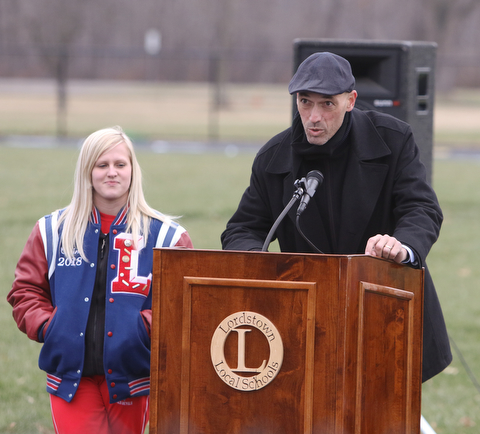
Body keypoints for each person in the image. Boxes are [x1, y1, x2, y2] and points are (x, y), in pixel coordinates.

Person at [221, 52, 452, 382]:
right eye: (304, 102)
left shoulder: (394, 139)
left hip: (386, 311)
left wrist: (402, 246)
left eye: (327, 104)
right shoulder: (273, 157)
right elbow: (243, 228)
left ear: (350, 100)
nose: (314, 116)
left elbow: (422, 208)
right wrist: (263, 267)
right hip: (310, 318)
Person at [7, 126, 193, 434]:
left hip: (133, 376)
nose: (112, 173)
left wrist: (140, 330)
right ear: (87, 171)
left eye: (120, 164)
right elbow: (25, 291)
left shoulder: (168, 237)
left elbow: (181, 302)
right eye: (101, 165)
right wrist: (50, 326)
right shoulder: (52, 231)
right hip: (71, 378)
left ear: (133, 170)